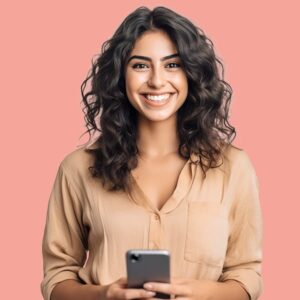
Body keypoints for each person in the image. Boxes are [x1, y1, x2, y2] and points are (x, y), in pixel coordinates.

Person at [41, 6, 263, 300]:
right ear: (120, 76)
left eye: (172, 65)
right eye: (141, 65)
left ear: (192, 74)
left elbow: (247, 275)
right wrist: (105, 295)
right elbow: (57, 278)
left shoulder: (233, 168)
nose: (157, 81)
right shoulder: (77, 169)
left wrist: (204, 293)